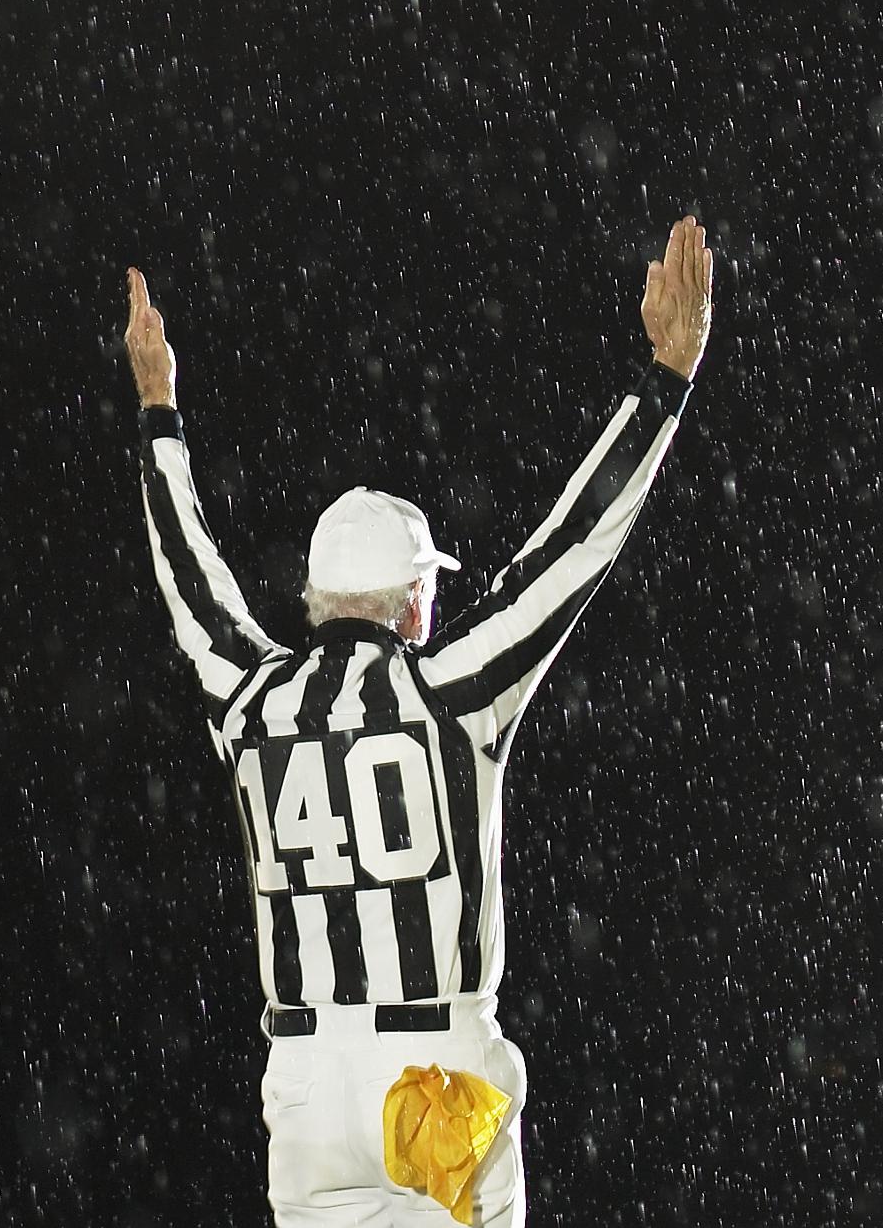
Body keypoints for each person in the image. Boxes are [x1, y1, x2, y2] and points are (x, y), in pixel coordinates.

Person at [116, 217, 716, 1227]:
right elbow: (571, 549)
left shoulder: (252, 698)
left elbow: (190, 577)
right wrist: (664, 379)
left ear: (315, 601)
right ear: (410, 604)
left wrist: (156, 410)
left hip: (304, 1086)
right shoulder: (447, 688)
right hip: (427, 1075)